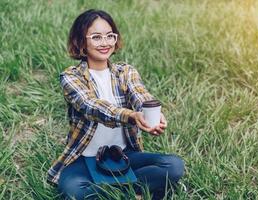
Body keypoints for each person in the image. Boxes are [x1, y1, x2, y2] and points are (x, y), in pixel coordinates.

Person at [47, 9, 184, 200]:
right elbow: (91, 106)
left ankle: (111, 191)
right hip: (85, 158)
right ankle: (135, 192)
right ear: (81, 41)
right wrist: (130, 116)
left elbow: (140, 94)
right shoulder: (71, 77)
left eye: (110, 36)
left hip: (124, 156)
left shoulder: (125, 71)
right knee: (73, 189)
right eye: (96, 37)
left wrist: (150, 113)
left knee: (174, 166)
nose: (105, 43)